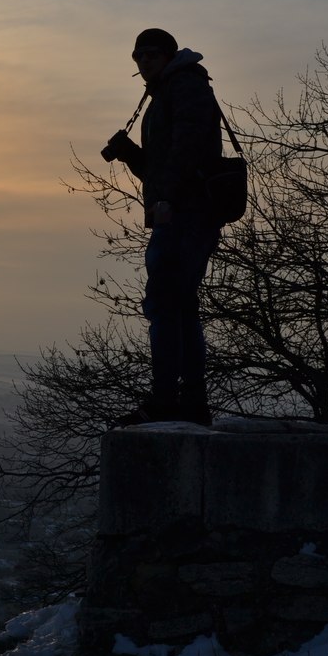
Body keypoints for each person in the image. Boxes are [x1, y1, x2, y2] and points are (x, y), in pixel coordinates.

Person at [102, 28, 222, 426]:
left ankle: (169, 400)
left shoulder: (185, 86)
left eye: (152, 54)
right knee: (179, 307)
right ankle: (187, 401)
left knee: (166, 306)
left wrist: (167, 199)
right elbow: (162, 166)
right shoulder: (166, 93)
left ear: (170, 56)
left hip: (185, 215)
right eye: (138, 56)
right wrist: (130, 155)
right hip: (179, 212)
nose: (144, 61)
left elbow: (188, 149)